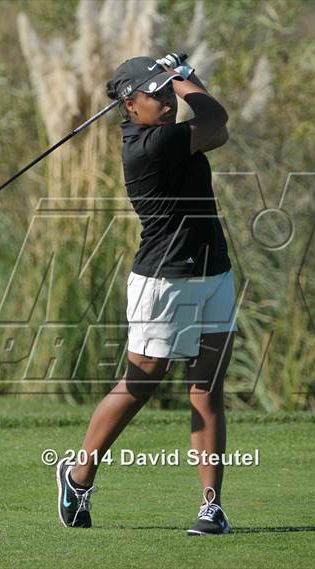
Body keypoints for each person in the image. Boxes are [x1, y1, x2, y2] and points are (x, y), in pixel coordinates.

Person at [56, 53, 238, 536]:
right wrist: (184, 77)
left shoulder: (168, 133)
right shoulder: (149, 145)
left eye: (165, 90)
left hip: (213, 270)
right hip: (162, 281)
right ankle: (78, 476)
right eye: (153, 93)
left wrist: (175, 78)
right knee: (141, 384)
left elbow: (213, 128)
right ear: (129, 105)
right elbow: (217, 123)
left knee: (207, 389)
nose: (163, 98)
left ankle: (211, 507)